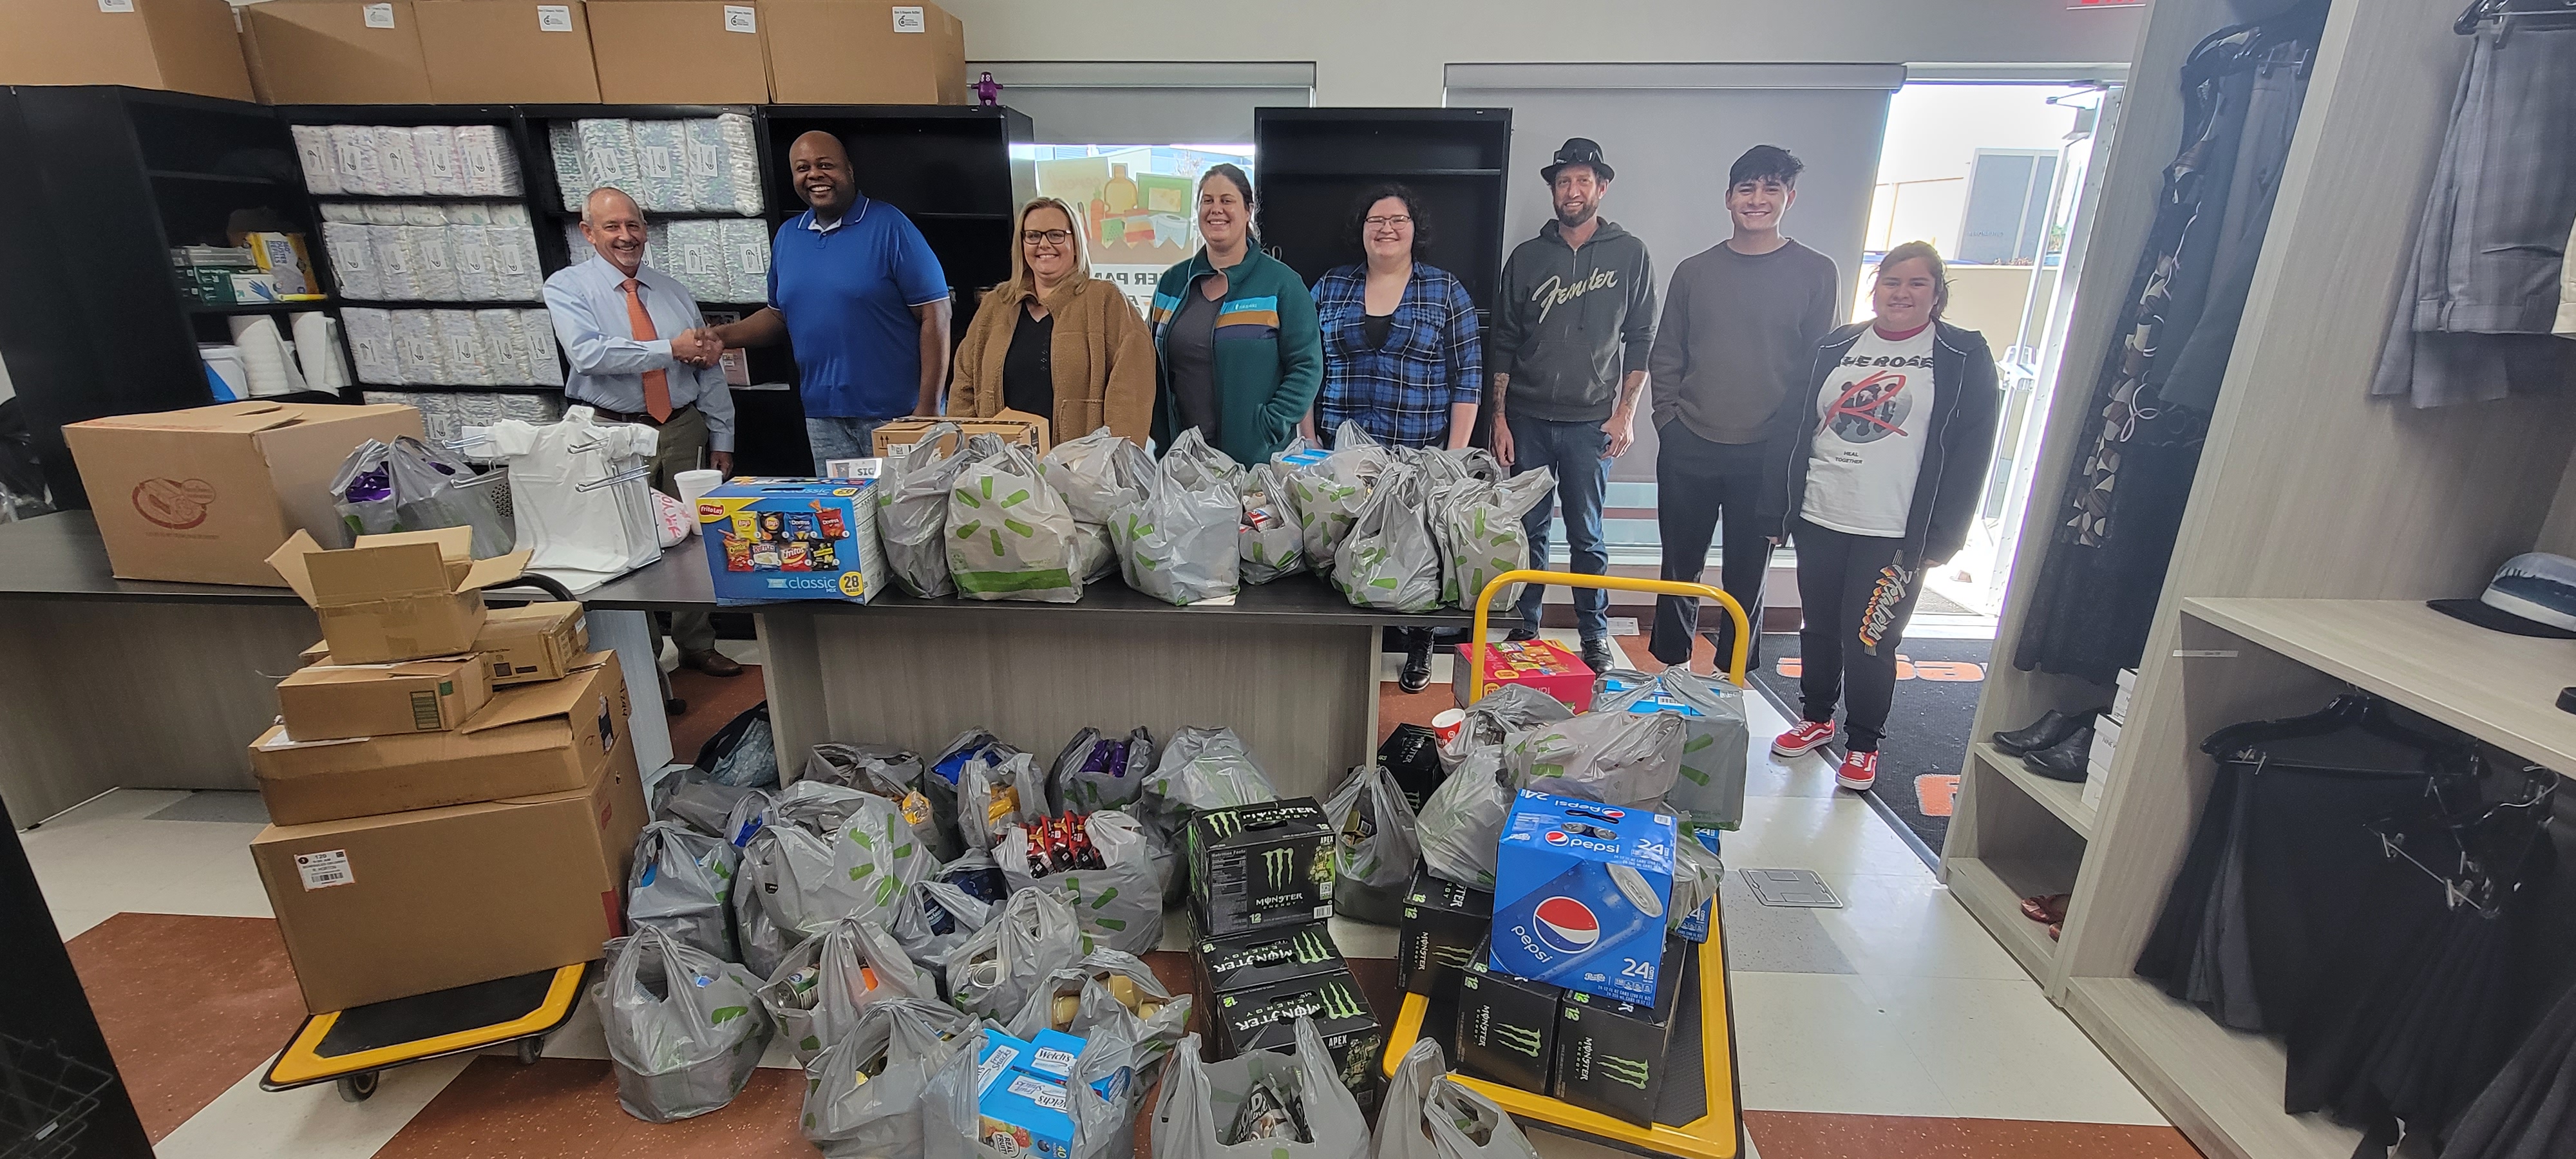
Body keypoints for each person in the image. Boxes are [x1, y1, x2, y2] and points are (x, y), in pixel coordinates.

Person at [1765, 241, 2002, 793]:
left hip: (1894, 529)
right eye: (1893, 282)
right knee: (1818, 627)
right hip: (1823, 512)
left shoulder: (1962, 353)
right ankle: (1817, 718)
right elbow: (1794, 426)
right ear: (1877, 287)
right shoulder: (1837, 345)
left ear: (1937, 294)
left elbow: (1972, 449)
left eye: (1918, 284)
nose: (1903, 293)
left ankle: (1864, 743)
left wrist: (1944, 537)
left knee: (1869, 637)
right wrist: (1776, 508)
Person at [1645, 146, 1840, 674]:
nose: (1758, 200)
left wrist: (1791, 446)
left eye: (1771, 189)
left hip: (1766, 453)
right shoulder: (1695, 271)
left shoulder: (1817, 272)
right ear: (1729, 198)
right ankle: (1670, 670)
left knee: (1747, 574)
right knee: (1678, 568)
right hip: (1691, 444)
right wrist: (1670, 422)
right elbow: (1667, 352)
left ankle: (1734, 680)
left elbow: (1818, 367)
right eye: (1747, 189)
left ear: (1789, 198)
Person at [542, 185, 740, 679]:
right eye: (612, 227)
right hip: (610, 433)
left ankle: (696, 641)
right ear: (588, 233)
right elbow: (589, 355)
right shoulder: (568, 288)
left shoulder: (672, 291)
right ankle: (644, 657)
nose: (626, 237)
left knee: (696, 540)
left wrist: (723, 437)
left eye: (633, 225)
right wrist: (669, 349)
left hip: (679, 426)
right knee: (626, 542)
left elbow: (709, 368)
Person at [1488, 138, 1656, 674]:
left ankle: (1594, 634)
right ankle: (1527, 624)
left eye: (1584, 181)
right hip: (1528, 418)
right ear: (1553, 190)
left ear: (1601, 188)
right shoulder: (1527, 258)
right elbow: (1505, 340)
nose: (1573, 190)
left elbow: (1641, 337)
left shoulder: (1630, 254)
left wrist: (1625, 411)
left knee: (1587, 533)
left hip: (1591, 422)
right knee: (1529, 528)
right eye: (1564, 182)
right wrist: (1499, 416)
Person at [1306, 184, 1482, 692]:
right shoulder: (1330, 287)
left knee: (1416, 553)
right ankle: (1344, 652)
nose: (1386, 228)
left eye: (1398, 219)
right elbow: (1307, 365)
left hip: (1419, 453)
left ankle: (1419, 641)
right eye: (1375, 219)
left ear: (1415, 229)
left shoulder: (1446, 291)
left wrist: (1453, 458)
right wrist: (1310, 441)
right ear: (1360, 230)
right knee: (1345, 551)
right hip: (1345, 451)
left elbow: (1467, 377)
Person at [707, 131, 950, 473]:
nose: (814, 175)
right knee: (842, 521)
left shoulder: (890, 226)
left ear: (849, 171)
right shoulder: (789, 236)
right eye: (802, 168)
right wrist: (723, 337)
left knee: (907, 520)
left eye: (825, 165)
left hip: (896, 415)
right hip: (822, 416)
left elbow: (936, 314)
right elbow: (779, 317)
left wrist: (927, 409)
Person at [1150, 164, 1322, 466]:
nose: (1216, 209)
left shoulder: (1281, 283)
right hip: (1182, 462)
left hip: (1254, 464)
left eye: (1227, 200)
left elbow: (1307, 366)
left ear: (1248, 211)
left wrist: (1270, 424)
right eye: (1207, 201)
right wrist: (1159, 431)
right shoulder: (1171, 284)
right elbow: (1150, 363)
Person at [947, 196, 1155, 445]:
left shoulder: (1106, 301)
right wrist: (969, 451)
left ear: (1075, 243)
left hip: (1081, 475)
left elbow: (1131, 391)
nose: (1044, 244)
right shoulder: (995, 306)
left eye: (1056, 235)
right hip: (1003, 472)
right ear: (1021, 244)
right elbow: (964, 387)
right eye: (1033, 236)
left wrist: (1112, 461)